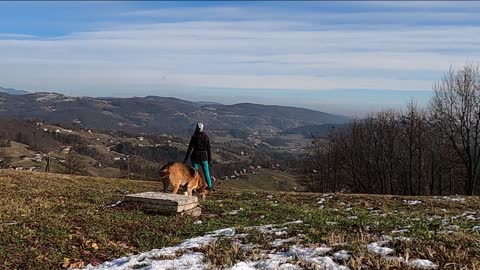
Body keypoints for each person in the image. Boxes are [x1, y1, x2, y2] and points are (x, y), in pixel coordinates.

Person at [183, 122, 214, 190]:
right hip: (204, 157)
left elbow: (190, 148)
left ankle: (194, 187)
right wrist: (209, 160)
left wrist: (186, 159)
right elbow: (208, 149)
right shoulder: (206, 136)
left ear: (197, 128)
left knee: (195, 173)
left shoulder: (194, 137)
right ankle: (210, 186)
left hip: (195, 156)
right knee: (206, 172)